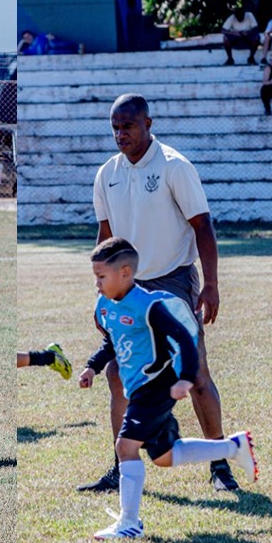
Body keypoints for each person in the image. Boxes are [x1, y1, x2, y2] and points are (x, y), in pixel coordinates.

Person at [86, 93, 239, 494]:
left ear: (148, 124)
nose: (121, 134)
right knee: (119, 374)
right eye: (115, 128)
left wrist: (211, 284)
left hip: (172, 281)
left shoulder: (174, 166)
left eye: (129, 126)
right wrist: (102, 292)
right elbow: (106, 236)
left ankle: (220, 463)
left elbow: (202, 225)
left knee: (196, 373)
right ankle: (123, 467)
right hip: (127, 287)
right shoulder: (107, 174)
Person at [80, 237, 257, 540]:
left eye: (101, 277)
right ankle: (234, 447)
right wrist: (93, 366)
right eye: (95, 276)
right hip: (138, 388)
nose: (96, 283)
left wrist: (186, 377)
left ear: (125, 273)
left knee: (125, 447)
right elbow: (111, 340)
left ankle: (129, 523)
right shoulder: (105, 305)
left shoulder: (149, 306)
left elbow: (185, 339)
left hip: (156, 385)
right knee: (163, 456)